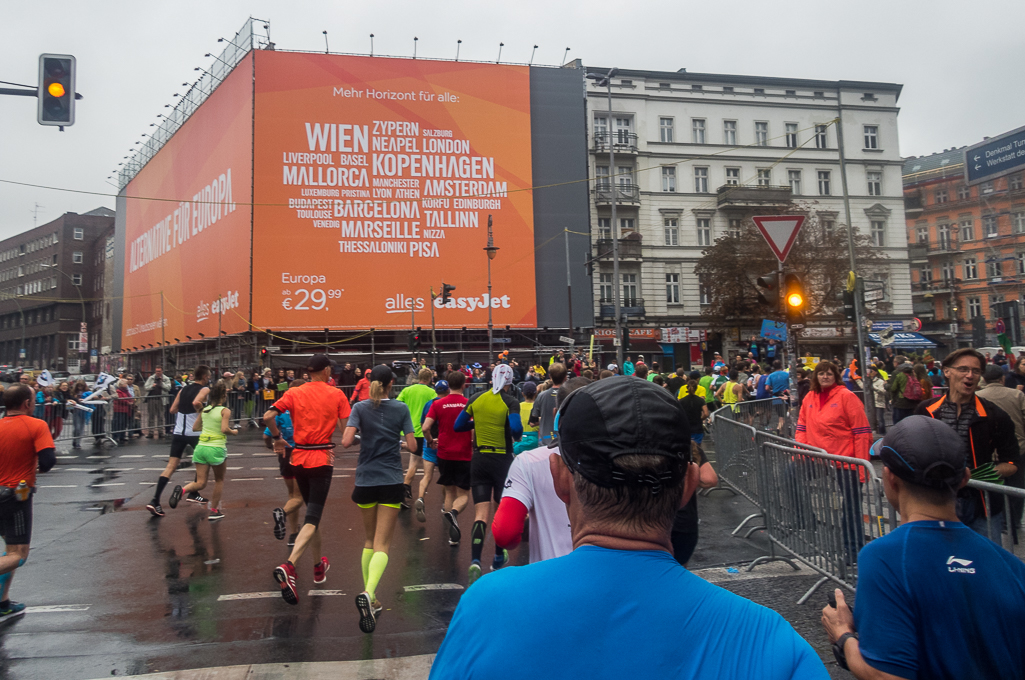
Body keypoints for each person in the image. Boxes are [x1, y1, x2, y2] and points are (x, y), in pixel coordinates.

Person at [430, 377, 828, 679]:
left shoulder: (488, 611)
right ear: (688, 485)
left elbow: (506, 531)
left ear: (560, 480)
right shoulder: (772, 644)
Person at [822, 416, 1025, 679]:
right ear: (964, 478)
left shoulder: (883, 558)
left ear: (890, 478)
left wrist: (842, 635)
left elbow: (886, 674)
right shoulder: (1011, 566)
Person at [266, 355, 351, 606]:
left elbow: (268, 417)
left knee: (312, 517)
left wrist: (278, 438)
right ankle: (289, 566)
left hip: (298, 457)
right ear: (326, 371)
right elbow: (345, 430)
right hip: (321, 458)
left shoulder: (295, 392)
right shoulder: (336, 394)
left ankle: (317, 567)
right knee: (313, 518)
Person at [340, 364, 415, 633]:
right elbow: (414, 445)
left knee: (370, 540)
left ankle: (371, 598)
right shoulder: (400, 408)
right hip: (391, 479)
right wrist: (398, 442)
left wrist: (365, 436)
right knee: (384, 544)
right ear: (391, 384)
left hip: (365, 479)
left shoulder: (360, 408)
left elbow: (347, 441)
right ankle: (369, 593)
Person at [915, 348, 1020, 539]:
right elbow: (911, 454)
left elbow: (1012, 463)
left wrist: (976, 476)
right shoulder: (926, 411)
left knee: (985, 564)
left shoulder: (994, 415)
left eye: (976, 371)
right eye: (963, 369)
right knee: (942, 562)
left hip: (982, 506)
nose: (970, 375)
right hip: (935, 504)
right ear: (947, 371)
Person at [492, 377, 591, 564]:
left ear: (556, 414)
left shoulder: (529, 463)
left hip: (550, 579)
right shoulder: (622, 460)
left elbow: (505, 533)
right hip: (607, 584)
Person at [795, 361, 872, 562]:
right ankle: (806, 521)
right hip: (818, 458)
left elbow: (862, 432)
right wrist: (799, 453)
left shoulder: (847, 396)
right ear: (816, 377)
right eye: (821, 373)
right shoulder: (809, 397)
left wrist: (862, 467)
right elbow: (802, 426)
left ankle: (853, 550)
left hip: (846, 460)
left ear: (835, 376)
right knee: (790, 475)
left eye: (829, 373)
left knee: (851, 506)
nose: (825, 377)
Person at [454, 363, 522, 586]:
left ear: (492, 377)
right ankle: (497, 556)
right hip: (502, 461)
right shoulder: (510, 401)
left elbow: (458, 425)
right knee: (500, 510)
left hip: (480, 459)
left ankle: (475, 560)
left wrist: (478, 422)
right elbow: (516, 430)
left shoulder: (476, 399)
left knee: (480, 514)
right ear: (510, 381)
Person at [0, 384, 57, 616]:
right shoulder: (36, 425)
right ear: (27, 404)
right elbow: (47, 461)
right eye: (34, 400)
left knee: (10, 550)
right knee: (18, 555)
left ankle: (2, 603)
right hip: (15, 496)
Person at [146, 366, 211, 517]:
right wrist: (204, 411)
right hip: (194, 432)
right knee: (205, 461)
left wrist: (185, 408)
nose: (209, 379)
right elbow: (196, 402)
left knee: (171, 466)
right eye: (208, 376)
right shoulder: (205, 389)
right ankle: (193, 492)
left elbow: (172, 410)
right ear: (204, 377)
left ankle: (155, 500)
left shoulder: (183, 390)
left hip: (178, 432)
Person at [169, 380, 237, 520]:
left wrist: (208, 428)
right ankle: (214, 511)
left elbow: (195, 428)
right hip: (216, 447)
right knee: (219, 480)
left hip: (201, 448)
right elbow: (224, 429)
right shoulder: (225, 411)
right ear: (224, 396)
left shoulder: (205, 410)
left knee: (200, 482)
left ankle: (182, 490)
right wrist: (233, 432)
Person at [423, 370, 473, 545]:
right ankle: (455, 513)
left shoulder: (438, 404)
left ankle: (453, 535)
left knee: (449, 490)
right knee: (464, 494)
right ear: (463, 385)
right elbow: (473, 429)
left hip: (444, 453)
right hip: (464, 453)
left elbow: (425, 427)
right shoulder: (468, 403)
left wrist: (430, 442)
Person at [267, 380, 303, 545]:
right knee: (300, 497)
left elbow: (266, 435)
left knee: (291, 495)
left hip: (285, 453)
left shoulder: (281, 410)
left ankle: (293, 533)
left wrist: (274, 444)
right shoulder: (305, 408)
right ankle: (283, 513)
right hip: (301, 452)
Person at [672, 443, 719, 567]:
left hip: (642, 524)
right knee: (679, 574)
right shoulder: (688, 446)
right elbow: (710, 479)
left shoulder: (633, 441)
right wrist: (688, 478)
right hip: (683, 524)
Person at [397, 368, 437, 509]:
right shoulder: (431, 392)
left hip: (409, 430)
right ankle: (404, 491)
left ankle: (404, 491)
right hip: (424, 431)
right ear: (430, 379)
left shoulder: (408, 390)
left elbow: (398, 403)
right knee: (416, 465)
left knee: (413, 463)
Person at [413, 379, 447, 522]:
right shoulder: (447, 404)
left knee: (426, 476)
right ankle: (445, 505)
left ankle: (421, 497)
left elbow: (423, 423)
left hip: (430, 444)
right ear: (447, 390)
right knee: (445, 478)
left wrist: (429, 440)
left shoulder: (429, 404)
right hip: (444, 444)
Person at [529, 361, 566, 446]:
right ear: (565, 377)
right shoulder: (570, 395)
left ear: (550, 377)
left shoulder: (541, 396)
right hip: (564, 443)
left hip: (545, 443)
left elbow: (532, 421)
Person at [857, 366, 889, 435]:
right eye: (869, 371)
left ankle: (882, 434)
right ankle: (874, 433)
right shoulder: (867, 380)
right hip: (870, 403)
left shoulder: (880, 381)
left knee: (880, 420)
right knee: (871, 419)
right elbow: (863, 387)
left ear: (876, 372)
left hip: (879, 402)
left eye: (872, 371)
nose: (870, 373)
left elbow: (883, 391)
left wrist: (874, 388)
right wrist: (857, 380)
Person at [678, 377, 709, 446]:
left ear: (687, 388)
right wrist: (701, 418)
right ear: (696, 388)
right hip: (697, 428)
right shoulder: (700, 400)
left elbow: (678, 413)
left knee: (686, 447)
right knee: (697, 449)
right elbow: (706, 413)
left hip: (686, 428)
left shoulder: (682, 401)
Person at [144, 367, 172, 439]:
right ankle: (150, 432)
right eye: (156, 371)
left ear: (162, 371)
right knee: (151, 416)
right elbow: (146, 387)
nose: (158, 372)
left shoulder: (166, 379)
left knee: (161, 416)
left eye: (159, 371)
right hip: (152, 399)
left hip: (161, 399)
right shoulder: (151, 378)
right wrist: (152, 386)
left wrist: (161, 383)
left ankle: (160, 432)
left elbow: (168, 388)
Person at [514, 381, 539, 454]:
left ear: (522, 394)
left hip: (519, 442)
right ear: (536, 393)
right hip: (535, 443)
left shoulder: (517, 407)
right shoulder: (539, 408)